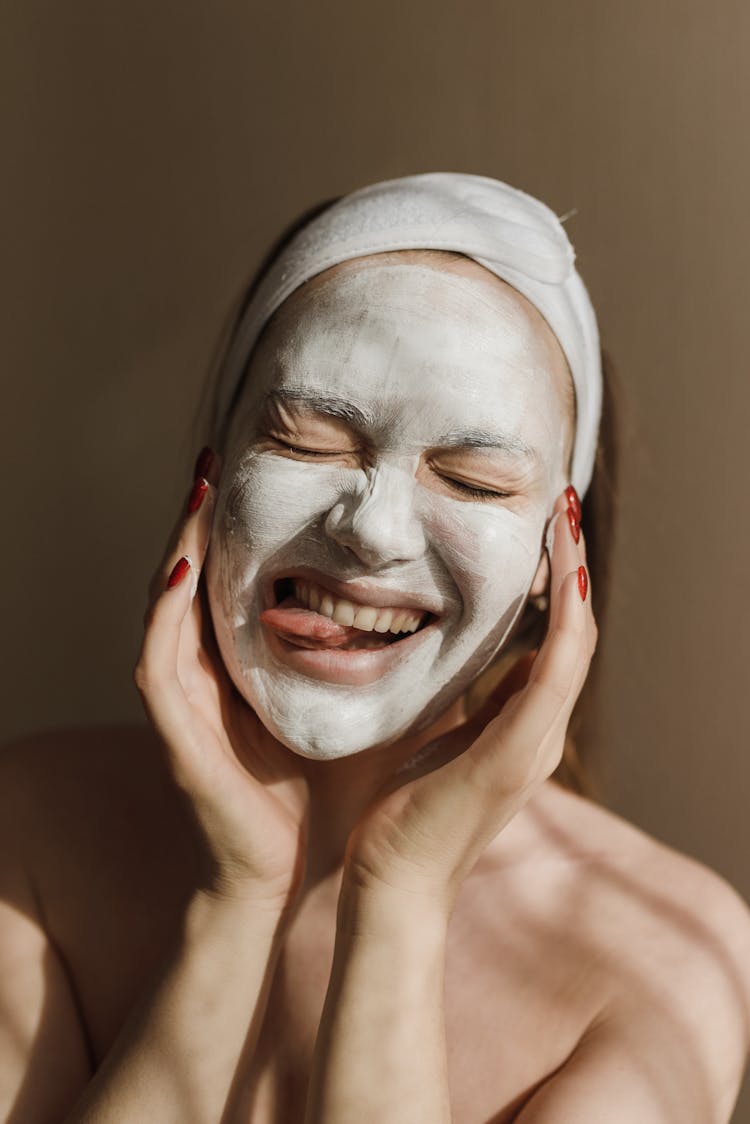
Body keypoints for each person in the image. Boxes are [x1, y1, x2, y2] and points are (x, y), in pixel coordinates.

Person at [1, 173, 749, 1124]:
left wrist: (399, 900)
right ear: (216, 465)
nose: (373, 531)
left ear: (550, 562)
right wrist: (236, 901)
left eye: (475, 481)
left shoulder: (670, 956)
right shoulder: (29, 834)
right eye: (308, 441)